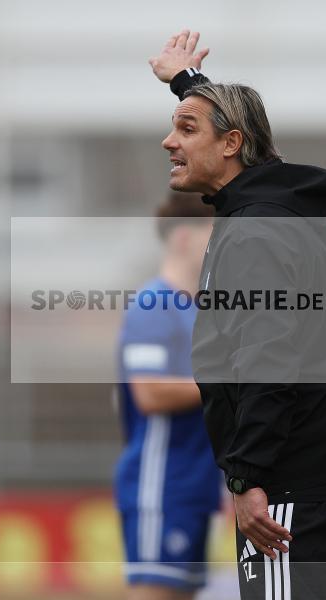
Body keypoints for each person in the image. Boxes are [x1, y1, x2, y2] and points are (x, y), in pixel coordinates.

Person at [149, 31, 326, 600]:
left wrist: (250, 477)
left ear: (230, 145)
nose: (168, 141)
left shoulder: (256, 232)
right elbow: (242, 136)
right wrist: (187, 83)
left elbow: (271, 361)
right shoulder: (271, 207)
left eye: (186, 129)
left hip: (291, 478)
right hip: (309, 471)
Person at [115, 193, 224, 600]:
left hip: (194, 487)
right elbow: (149, 392)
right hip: (160, 486)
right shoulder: (154, 304)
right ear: (183, 238)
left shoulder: (196, 309)